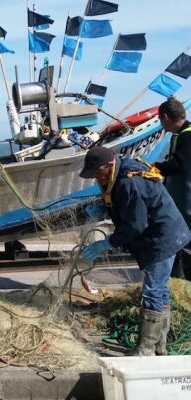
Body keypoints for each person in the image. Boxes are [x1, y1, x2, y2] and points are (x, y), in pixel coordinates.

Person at [80, 146, 191, 356]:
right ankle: (159, 346)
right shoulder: (118, 174)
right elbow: (124, 203)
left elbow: (135, 226)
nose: (96, 177)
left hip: (164, 236)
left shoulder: (129, 182)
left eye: (97, 172)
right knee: (159, 290)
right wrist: (103, 207)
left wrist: (107, 243)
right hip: (161, 233)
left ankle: (146, 349)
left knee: (152, 291)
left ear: (109, 165)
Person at [153, 96, 191, 280]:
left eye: (161, 120)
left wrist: (156, 166)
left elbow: (181, 165)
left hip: (187, 199)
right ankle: (177, 277)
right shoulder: (182, 135)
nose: (161, 125)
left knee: (184, 238)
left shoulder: (187, 136)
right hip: (181, 197)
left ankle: (183, 279)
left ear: (166, 117)